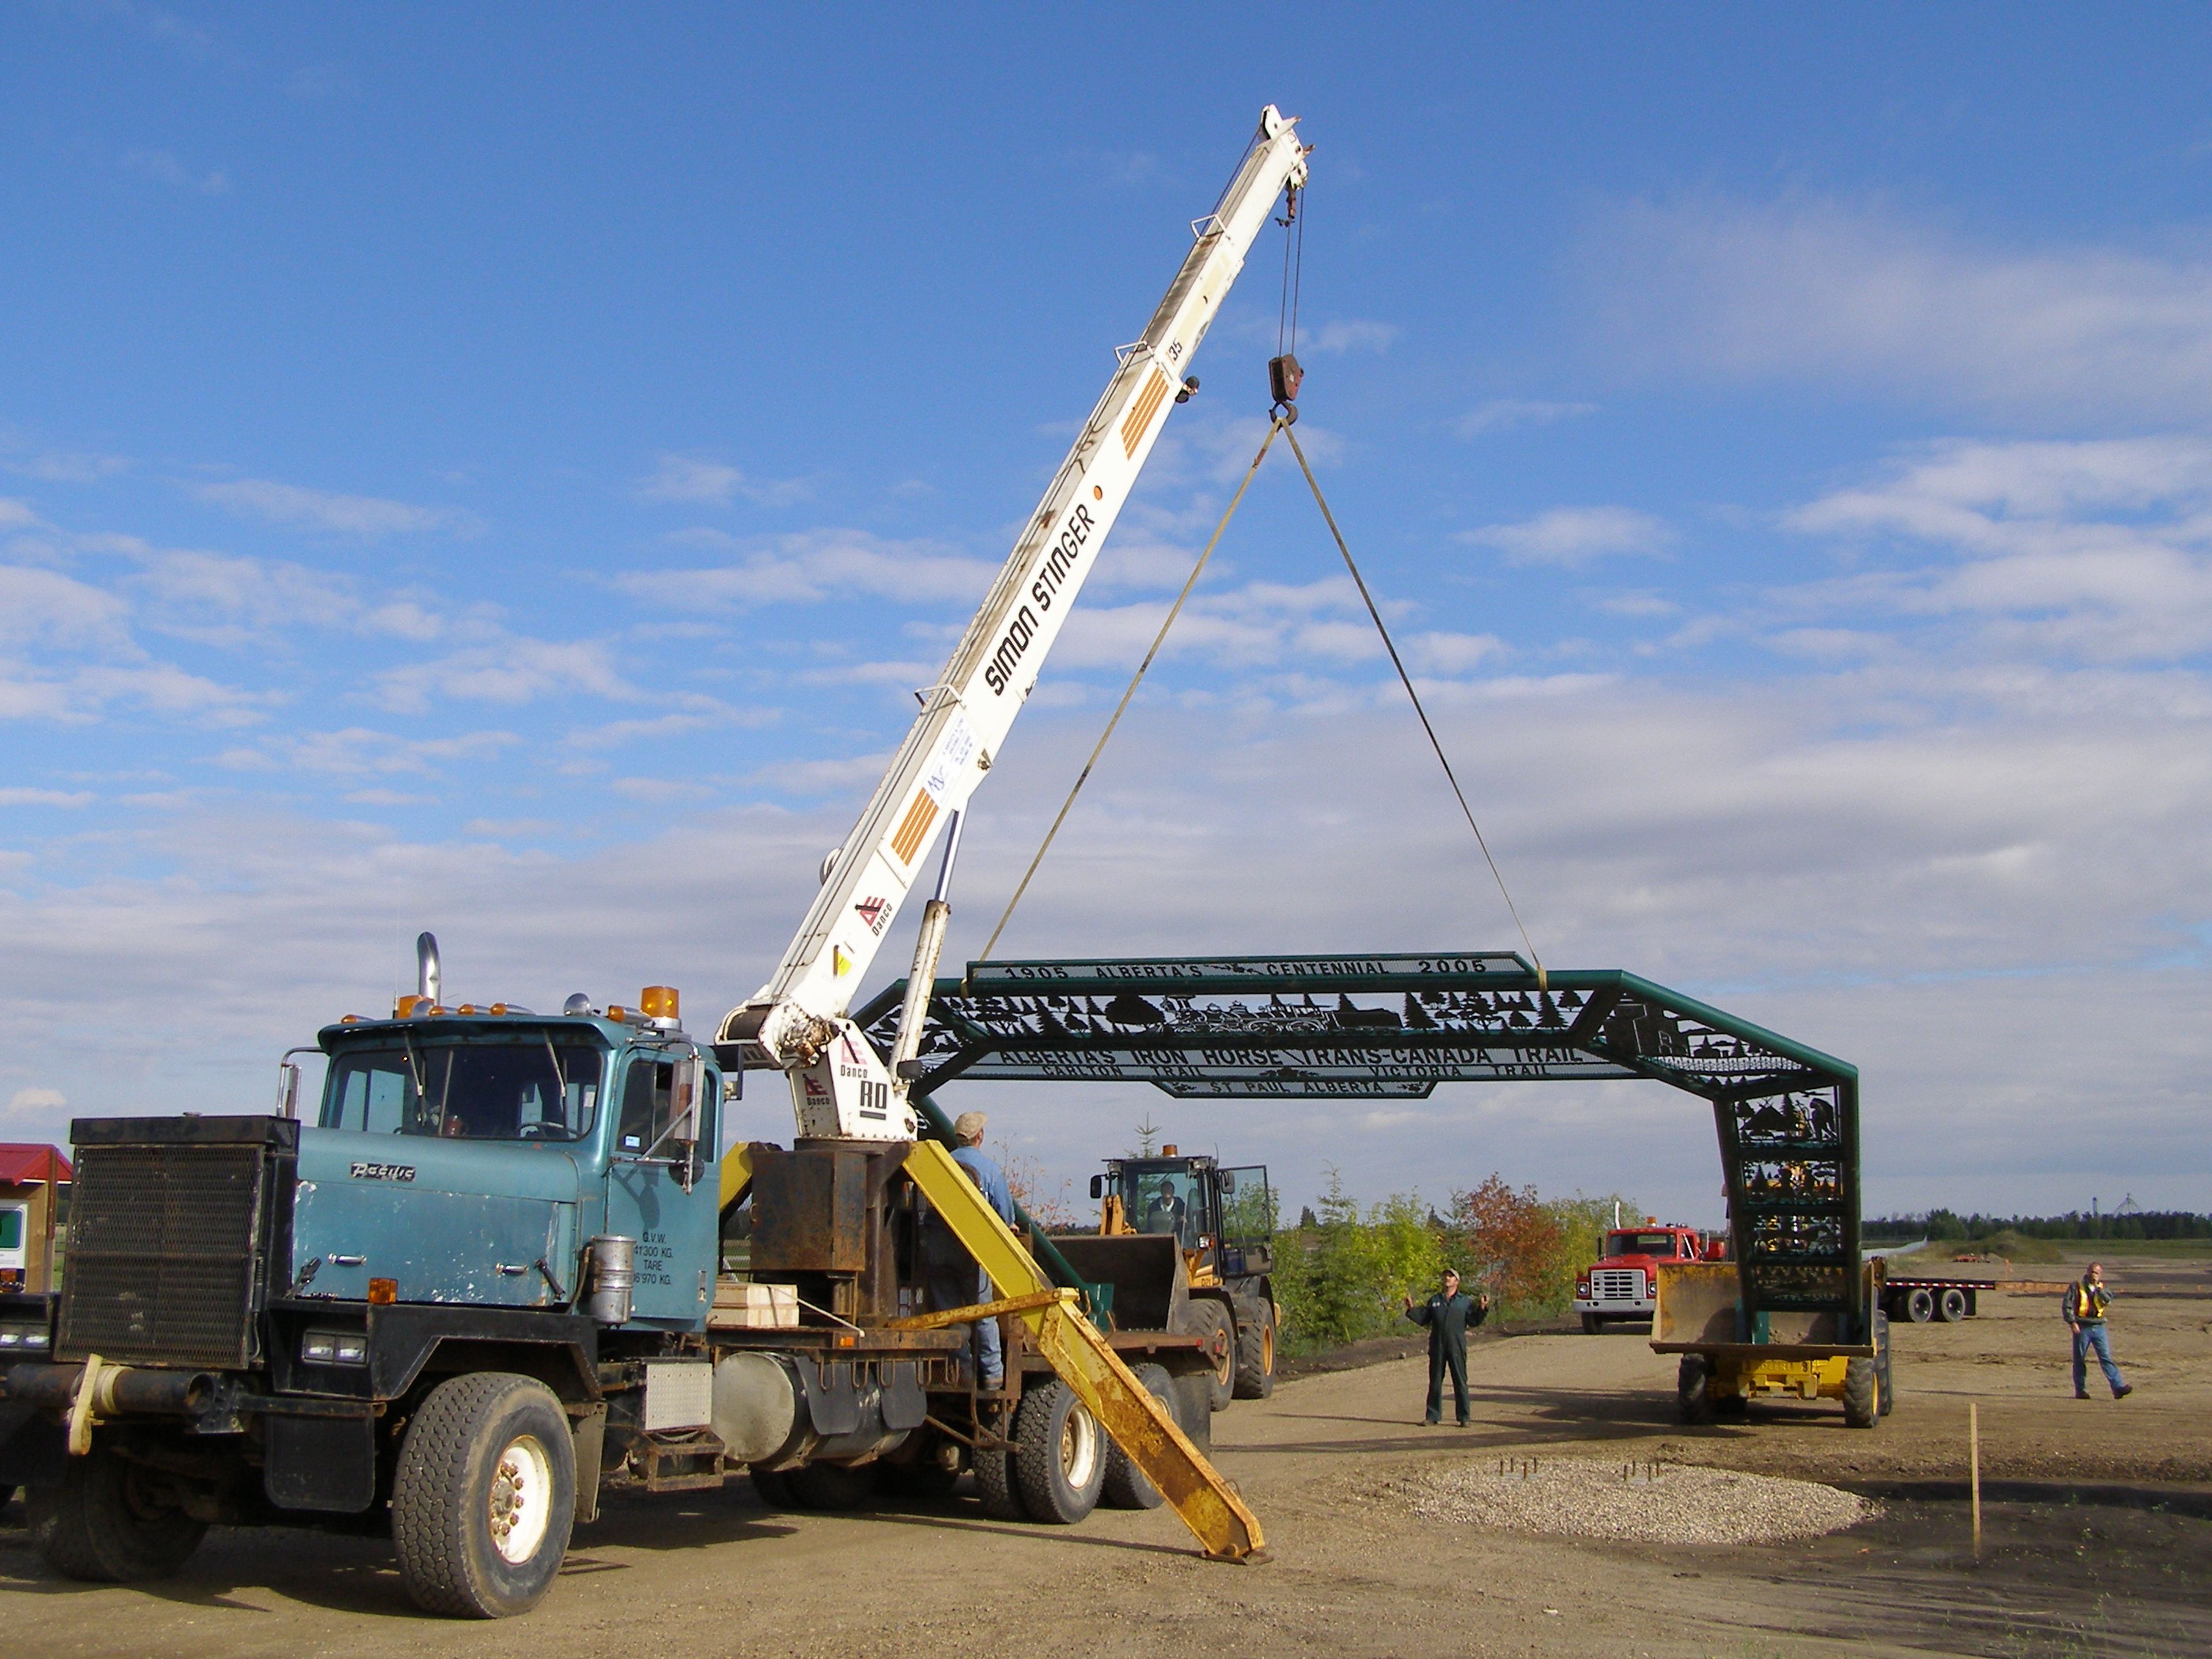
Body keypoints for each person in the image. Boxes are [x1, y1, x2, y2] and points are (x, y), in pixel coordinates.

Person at [925, 1110, 1017, 1392]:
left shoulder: (939, 1165)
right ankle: (992, 1376)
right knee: (984, 1313)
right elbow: (1006, 1216)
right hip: (973, 1254)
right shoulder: (989, 1170)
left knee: (948, 1314)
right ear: (981, 1136)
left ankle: (961, 1373)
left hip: (938, 1251)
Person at [1403, 1267, 1490, 1426]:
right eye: (1445, 1276)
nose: (1447, 1278)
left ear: (1457, 1281)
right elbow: (1424, 1319)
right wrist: (1412, 1309)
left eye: (1451, 1276)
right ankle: (1432, 1416)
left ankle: (1464, 1417)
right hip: (1438, 1345)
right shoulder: (1435, 1300)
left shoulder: (1464, 1302)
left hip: (1456, 1345)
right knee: (1435, 1380)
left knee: (1460, 1381)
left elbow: (1474, 1321)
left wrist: (1482, 1309)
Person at [2063, 1261, 2131, 1400]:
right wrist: (2072, 1322)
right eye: (2092, 1272)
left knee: (2106, 1357)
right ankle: (2080, 1390)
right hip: (2082, 1327)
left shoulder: (2102, 1288)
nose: (2094, 1275)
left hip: (2099, 1327)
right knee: (2080, 1359)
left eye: (2097, 1273)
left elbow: (2108, 1301)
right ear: (2088, 1272)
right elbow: (2067, 1305)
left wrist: (2098, 1290)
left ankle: (2118, 1387)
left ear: (2100, 1275)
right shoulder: (2076, 1287)